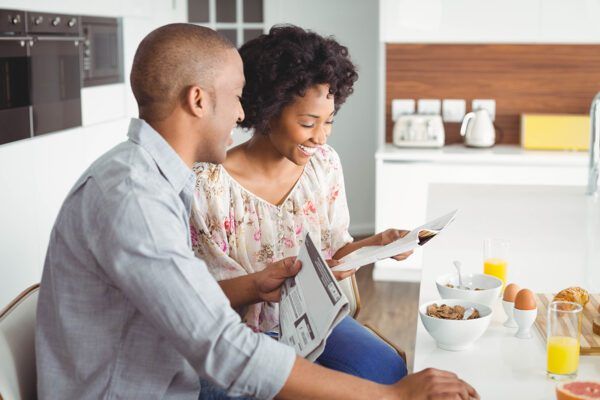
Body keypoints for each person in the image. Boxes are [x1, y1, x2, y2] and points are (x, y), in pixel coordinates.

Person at [35, 22, 479, 400]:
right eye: (237, 96)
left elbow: (191, 306)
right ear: (198, 100)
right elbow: (224, 347)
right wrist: (390, 396)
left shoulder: (148, 177)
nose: (244, 111)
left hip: (169, 366)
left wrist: (255, 284)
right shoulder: (135, 196)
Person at [191, 24, 409, 390]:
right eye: (308, 123)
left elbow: (334, 254)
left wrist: (377, 245)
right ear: (268, 111)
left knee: (385, 370)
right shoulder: (208, 184)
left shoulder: (324, 165)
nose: (321, 137)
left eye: (329, 122)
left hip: (316, 325)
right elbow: (202, 297)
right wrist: (260, 287)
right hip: (241, 337)